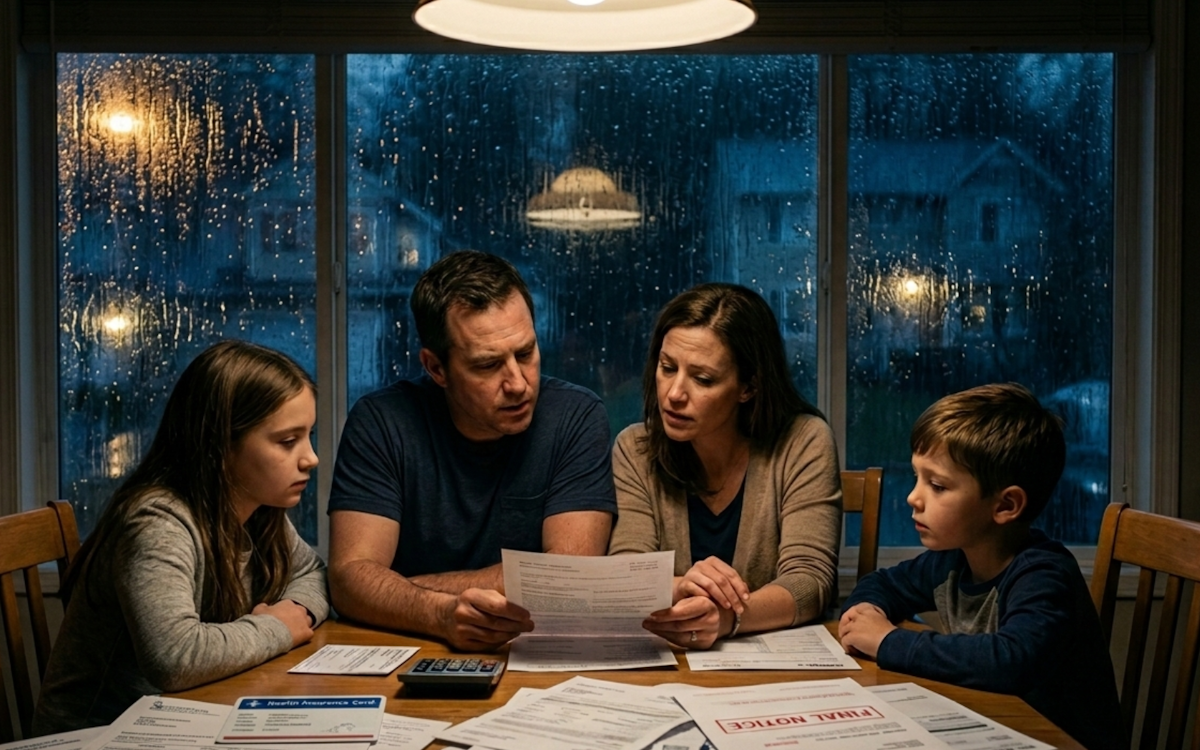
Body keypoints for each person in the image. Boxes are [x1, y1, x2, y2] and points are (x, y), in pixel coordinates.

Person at [33, 340, 328, 735]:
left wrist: (292, 610)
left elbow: (313, 572)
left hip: (187, 721)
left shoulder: (258, 510)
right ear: (220, 444)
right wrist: (277, 628)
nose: (311, 458)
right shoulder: (156, 521)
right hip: (100, 737)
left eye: (309, 435)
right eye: (288, 441)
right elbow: (174, 656)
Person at [327, 251, 616, 651]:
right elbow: (348, 581)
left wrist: (401, 589)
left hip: (530, 650)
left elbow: (568, 578)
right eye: (487, 365)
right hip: (407, 649)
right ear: (436, 368)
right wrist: (439, 614)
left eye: (526, 353)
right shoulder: (382, 422)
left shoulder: (574, 416)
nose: (517, 383)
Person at [838, 383, 1123, 750]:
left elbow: (1009, 661)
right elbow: (884, 584)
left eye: (937, 485)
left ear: (1005, 506)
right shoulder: (952, 562)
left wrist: (889, 641)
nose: (913, 497)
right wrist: (866, 613)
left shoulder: (1044, 575)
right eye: (917, 477)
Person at [608, 283, 842, 649]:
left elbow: (809, 582)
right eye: (667, 367)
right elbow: (625, 572)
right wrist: (679, 586)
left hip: (772, 677)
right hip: (665, 667)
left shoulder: (803, 440)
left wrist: (727, 618)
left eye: (703, 379)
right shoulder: (635, 449)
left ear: (748, 387)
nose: (674, 394)